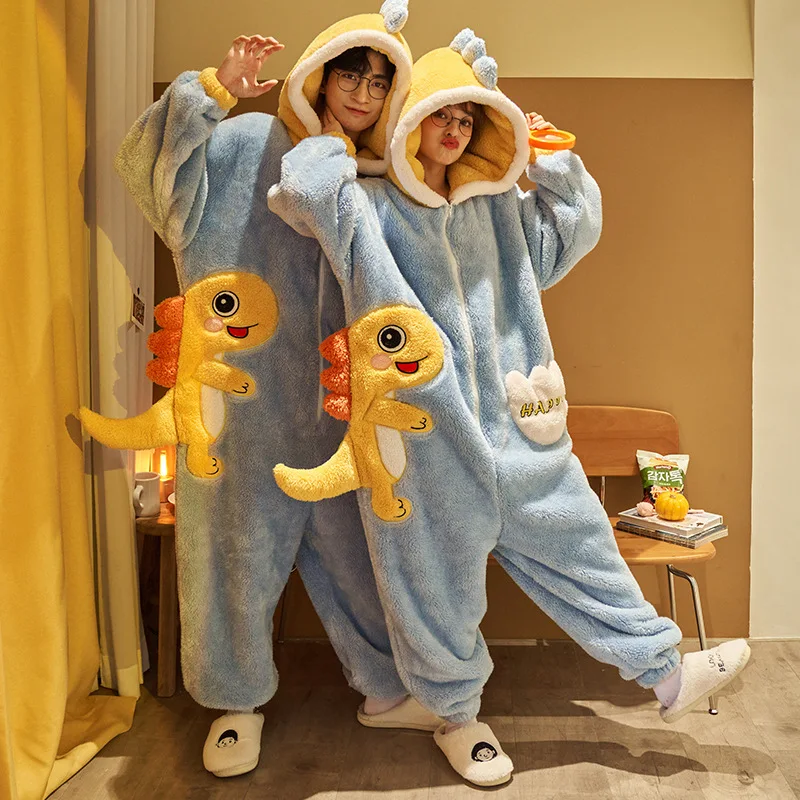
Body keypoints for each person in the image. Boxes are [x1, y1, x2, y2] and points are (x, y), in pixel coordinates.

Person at [268, 28, 751, 787]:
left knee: (584, 548)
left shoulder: (497, 211)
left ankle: (667, 675)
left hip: (524, 429)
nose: (455, 129)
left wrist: (547, 158)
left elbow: (571, 232)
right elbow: (301, 194)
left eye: (468, 118)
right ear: (411, 117)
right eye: (441, 113)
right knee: (436, 593)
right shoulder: (369, 208)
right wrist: (333, 137)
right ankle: (457, 720)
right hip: (426, 443)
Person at [111, 0, 442, 780]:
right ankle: (235, 704)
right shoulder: (248, 144)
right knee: (233, 557)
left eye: (379, 83)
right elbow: (148, 174)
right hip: (244, 405)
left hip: (339, 410)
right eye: (351, 75)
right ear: (320, 74)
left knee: (361, 557)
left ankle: (387, 687)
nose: (362, 93)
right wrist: (212, 93)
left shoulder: (376, 178)